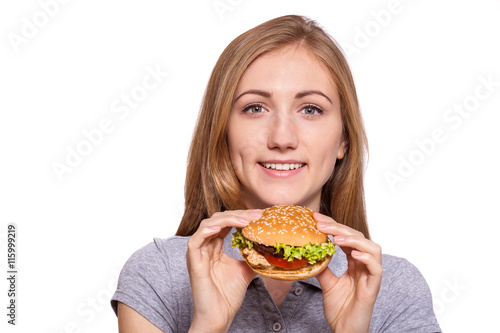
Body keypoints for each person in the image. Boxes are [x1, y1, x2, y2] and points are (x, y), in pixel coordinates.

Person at [111, 15, 441, 332]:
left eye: (310, 109)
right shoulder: (159, 275)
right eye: (255, 108)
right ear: (223, 132)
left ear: (344, 139)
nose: (282, 138)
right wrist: (209, 326)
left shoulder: (395, 289)